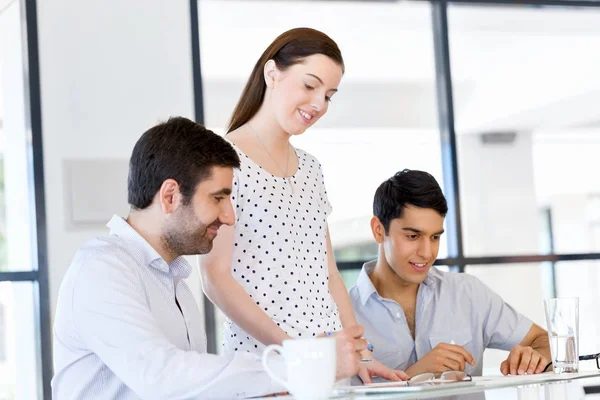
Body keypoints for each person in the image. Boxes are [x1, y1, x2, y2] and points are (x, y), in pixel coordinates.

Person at [51, 117, 367, 400]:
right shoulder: (103, 268)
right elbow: (162, 376)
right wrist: (308, 364)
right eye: (218, 198)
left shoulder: (174, 282)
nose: (229, 217)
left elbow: (192, 387)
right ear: (170, 195)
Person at [199, 27, 407, 383]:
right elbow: (215, 278)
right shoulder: (223, 160)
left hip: (326, 367)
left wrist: (358, 353)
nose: (319, 104)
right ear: (272, 74)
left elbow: (327, 273)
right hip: (266, 367)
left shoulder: (311, 168)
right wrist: (297, 352)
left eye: (329, 95)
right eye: (310, 86)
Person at [349, 169, 552, 378]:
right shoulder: (343, 316)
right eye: (412, 236)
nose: (427, 253)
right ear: (378, 230)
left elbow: (544, 341)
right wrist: (415, 376)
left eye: (435, 237)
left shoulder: (468, 293)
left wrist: (533, 357)